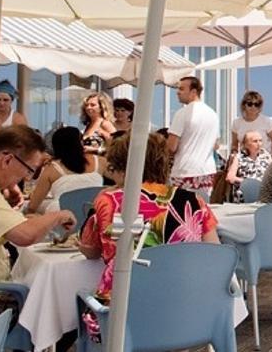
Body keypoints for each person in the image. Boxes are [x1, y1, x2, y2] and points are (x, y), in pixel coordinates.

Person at [79, 132, 219, 342]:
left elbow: (91, 251)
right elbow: (213, 253)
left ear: (121, 166)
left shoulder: (108, 200)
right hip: (188, 311)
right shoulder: (193, 200)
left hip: (128, 315)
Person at [0, 126, 76, 317]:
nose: (26, 178)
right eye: (29, 171)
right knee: (61, 308)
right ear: (8, 160)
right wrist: (58, 215)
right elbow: (25, 235)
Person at [25, 127, 105, 214]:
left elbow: (33, 206)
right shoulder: (100, 162)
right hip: (95, 215)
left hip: (61, 219)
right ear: (79, 143)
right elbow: (120, 180)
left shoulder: (52, 168)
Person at [167, 77, 220, 196]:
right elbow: (216, 145)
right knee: (202, 209)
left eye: (181, 88)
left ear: (194, 91)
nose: (177, 92)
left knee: (182, 211)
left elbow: (171, 147)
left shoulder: (182, 114)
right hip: (208, 171)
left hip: (185, 171)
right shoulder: (213, 114)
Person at [226, 130, 272, 201]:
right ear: (246, 144)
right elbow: (230, 178)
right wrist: (248, 183)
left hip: (263, 195)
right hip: (244, 195)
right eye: (255, 141)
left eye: (260, 141)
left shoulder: (266, 156)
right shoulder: (239, 157)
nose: (259, 144)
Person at [230, 91, 272, 156]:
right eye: (250, 104)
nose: (253, 107)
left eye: (257, 104)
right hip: (244, 159)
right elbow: (234, 143)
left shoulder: (266, 121)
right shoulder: (236, 123)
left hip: (263, 158)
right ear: (244, 105)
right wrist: (234, 155)